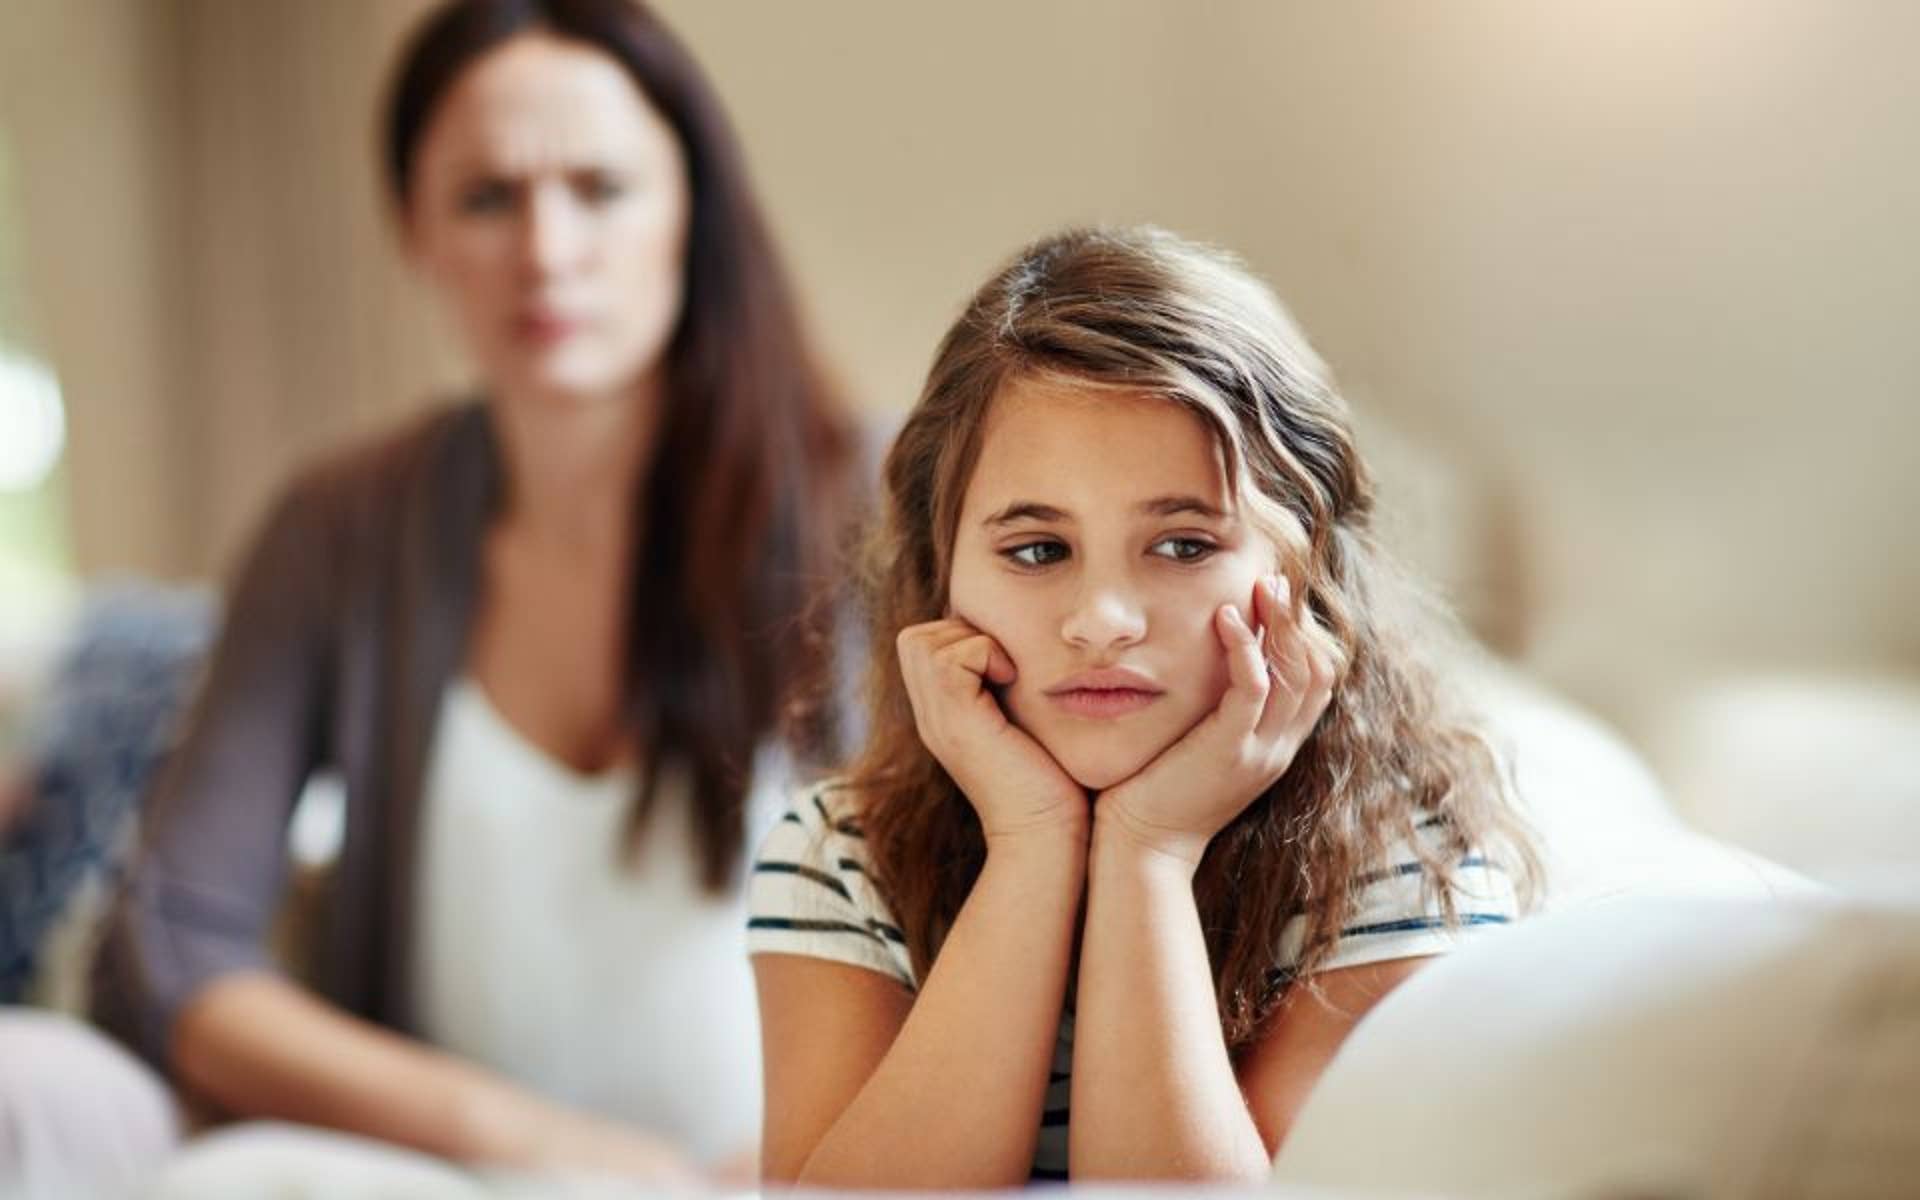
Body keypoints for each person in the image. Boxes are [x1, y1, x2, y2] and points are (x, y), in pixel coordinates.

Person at [81, 0, 855, 1186]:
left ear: (691, 213)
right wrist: (527, 1142)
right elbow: (168, 944)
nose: (546, 251)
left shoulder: (881, 509)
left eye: (601, 189)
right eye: (487, 199)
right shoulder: (338, 528)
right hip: (448, 1176)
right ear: (415, 232)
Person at [748, 226, 1541, 1186]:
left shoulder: (1402, 861)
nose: (1103, 622)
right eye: (1038, 551)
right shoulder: (840, 852)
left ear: (1307, 567)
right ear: (939, 573)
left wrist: (1152, 851)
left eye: (1182, 546)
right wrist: (1033, 841)